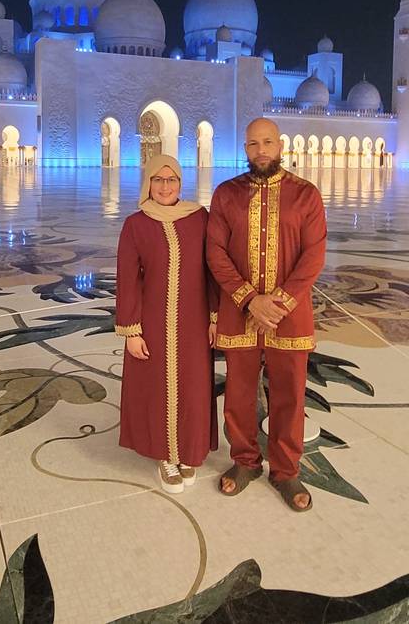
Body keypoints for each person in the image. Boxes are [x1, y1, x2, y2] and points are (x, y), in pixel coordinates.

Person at [206, 118, 326, 512]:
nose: (261, 150)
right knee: (238, 392)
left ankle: (286, 470)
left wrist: (279, 302)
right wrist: (248, 299)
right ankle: (244, 461)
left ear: (280, 145)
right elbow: (215, 253)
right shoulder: (226, 194)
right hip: (239, 311)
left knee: (290, 393)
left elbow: (314, 256)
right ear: (245, 148)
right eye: (253, 143)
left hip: (288, 315)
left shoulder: (305, 195)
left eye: (268, 142)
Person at [115, 154, 218, 493]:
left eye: (171, 179)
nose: (165, 186)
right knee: (157, 385)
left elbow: (212, 271)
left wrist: (215, 316)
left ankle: (188, 450)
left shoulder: (198, 218)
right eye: (157, 180)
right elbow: (128, 279)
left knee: (193, 384)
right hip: (154, 320)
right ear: (148, 183)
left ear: (180, 182)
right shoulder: (137, 223)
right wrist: (131, 330)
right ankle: (164, 454)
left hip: (194, 318)